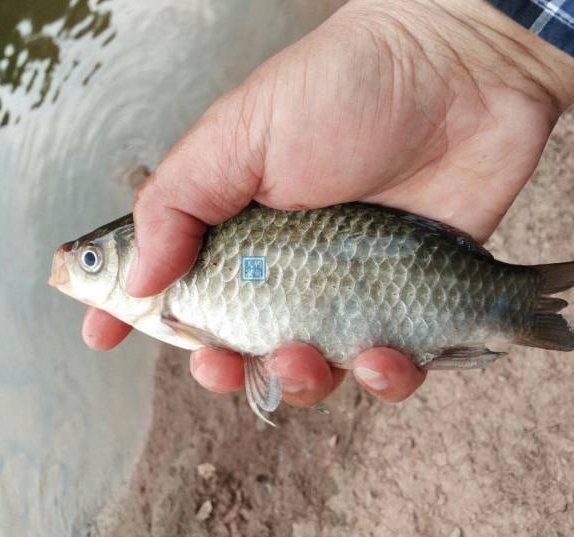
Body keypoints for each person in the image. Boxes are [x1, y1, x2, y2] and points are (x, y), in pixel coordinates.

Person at [82, 0, 574, 408]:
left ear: (135, 251)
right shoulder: (170, 301)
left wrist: (454, 31)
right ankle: (513, 305)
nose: (85, 267)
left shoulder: (169, 302)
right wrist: (463, 29)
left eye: (92, 259)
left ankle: (515, 303)